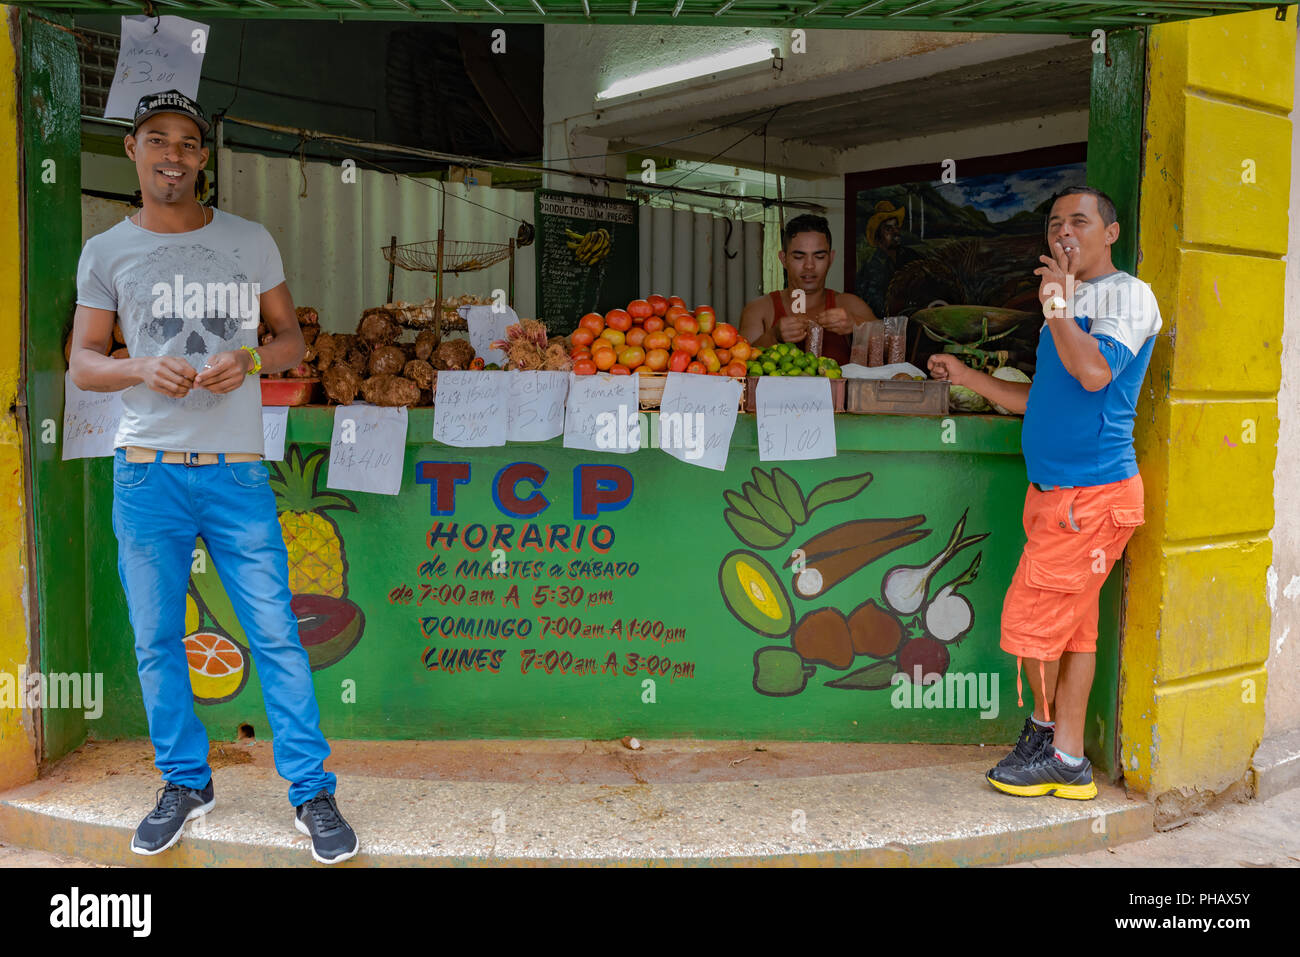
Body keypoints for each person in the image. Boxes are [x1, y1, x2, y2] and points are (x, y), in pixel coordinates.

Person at [69, 90, 359, 863]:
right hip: (147, 476)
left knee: (275, 634)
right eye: (157, 139)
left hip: (235, 478)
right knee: (158, 638)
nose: (173, 154)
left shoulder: (250, 240)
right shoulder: (105, 252)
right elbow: (84, 363)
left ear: (203, 158)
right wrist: (137, 364)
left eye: (189, 143)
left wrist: (255, 358)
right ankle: (184, 781)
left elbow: (294, 338)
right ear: (132, 150)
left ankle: (311, 792)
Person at [928, 186, 1160, 801]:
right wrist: (968, 375)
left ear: (1110, 233)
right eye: (1055, 222)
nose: (1064, 232)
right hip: (1059, 501)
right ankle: (1069, 757)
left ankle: (1046, 739)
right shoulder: (1070, 304)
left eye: (1079, 222)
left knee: (1030, 626)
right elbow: (1044, 401)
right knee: (1071, 632)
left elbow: (1094, 374)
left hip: (1090, 500)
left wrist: (1057, 309)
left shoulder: (1126, 297)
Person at [738, 214, 876, 364]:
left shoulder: (849, 304)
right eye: (799, 257)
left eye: (819, 257)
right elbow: (740, 365)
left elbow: (893, 346)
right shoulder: (759, 309)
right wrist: (773, 336)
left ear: (831, 258)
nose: (809, 265)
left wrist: (857, 325)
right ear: (783, 259)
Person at [854, 199, 918, 318]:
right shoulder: (869, 271)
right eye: (888, 229)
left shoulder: (912, 256)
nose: (895, 232)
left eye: (896, 227)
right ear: (878, 237)